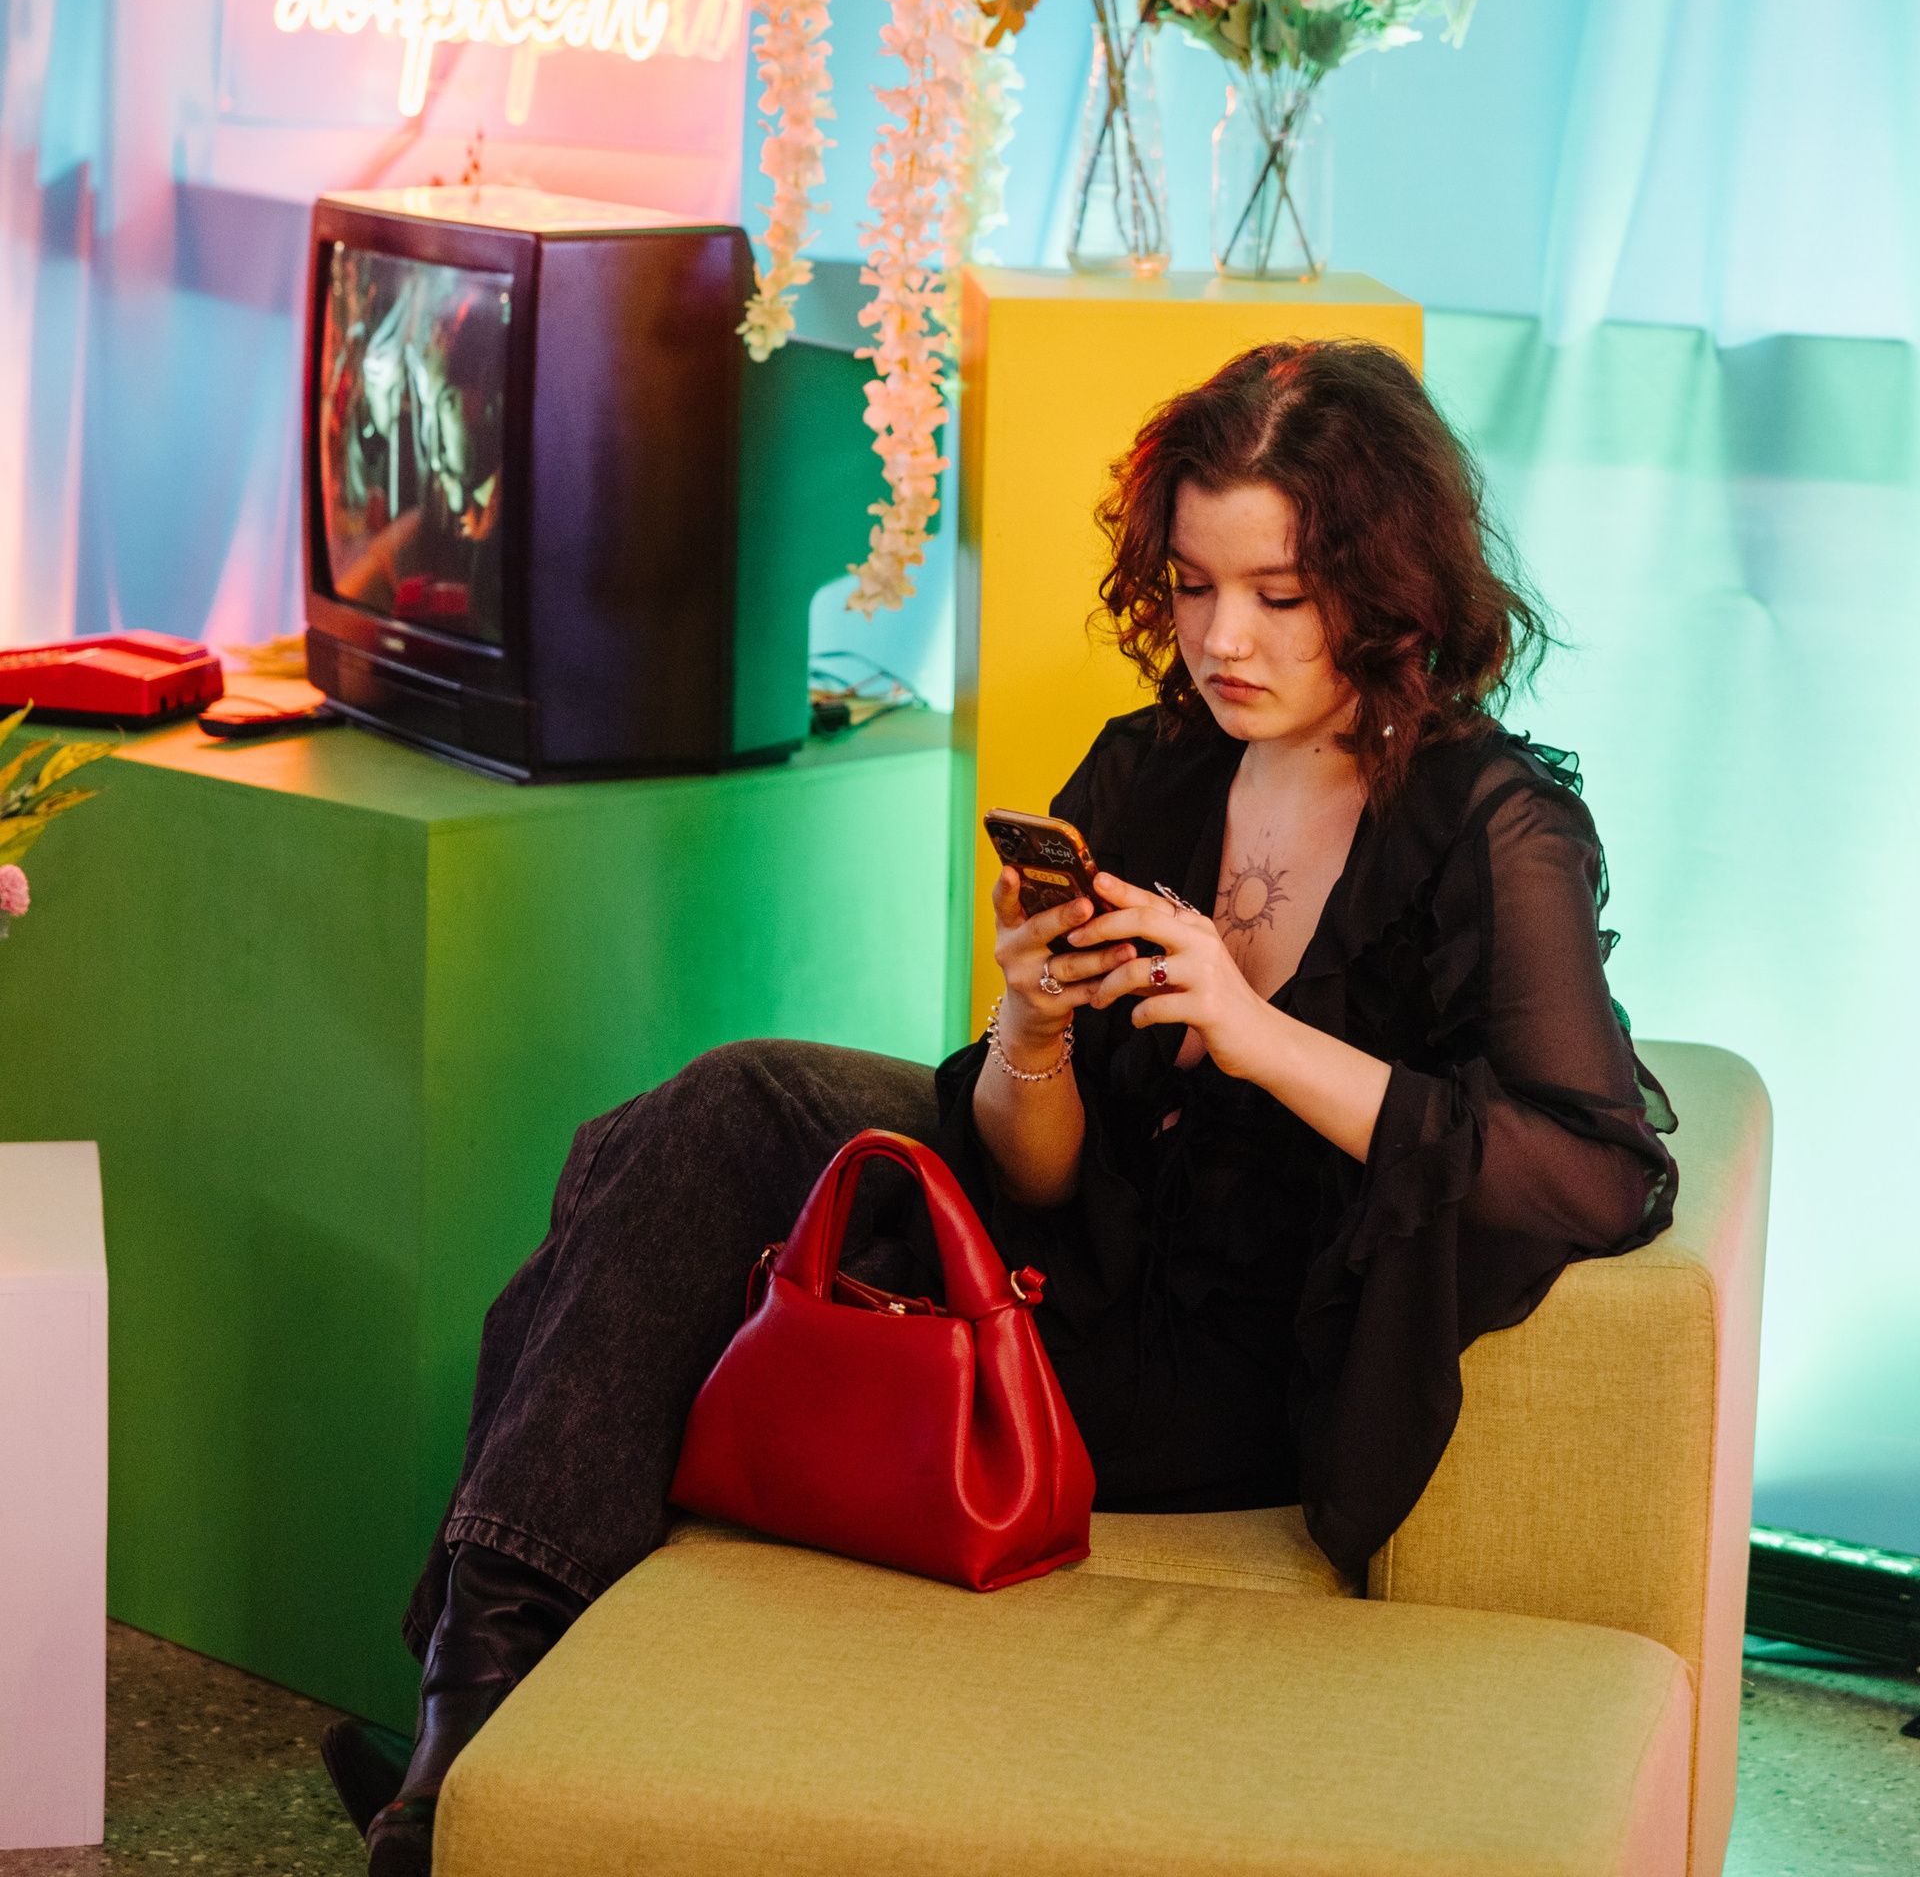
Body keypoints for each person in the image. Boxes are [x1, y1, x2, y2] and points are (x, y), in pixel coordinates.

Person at [329, 338, 1677, 1872]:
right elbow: (1031, 1175)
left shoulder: (1496, 826)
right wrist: (1031, 1027)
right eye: (1192, 586)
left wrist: (1251, 1032)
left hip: (1225, 1371)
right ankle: (477, 1728)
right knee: (700, 1125)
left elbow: (1597, 1172)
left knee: (656, 1186)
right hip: (1060, 1271)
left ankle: (463, 1750)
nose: (1223, 639)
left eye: (1280, 596)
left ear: (1389, 591)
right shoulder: (1154, 769)